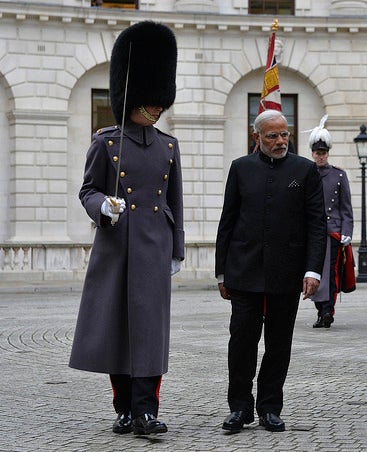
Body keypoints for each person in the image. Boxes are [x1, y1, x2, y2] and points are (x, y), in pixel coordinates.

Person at [69, 21, 183, 436]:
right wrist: (105, 207)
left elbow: (174, 201)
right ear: (137, 99)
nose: (159, 109)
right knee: (120, 330)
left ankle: (146, 411)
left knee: (150, 333)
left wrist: (177, 248)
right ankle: (123, 408)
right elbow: (87, 191)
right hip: (117, 246)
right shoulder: (106, 143)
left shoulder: (169, 146)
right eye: (154, 102)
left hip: (153, 246)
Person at [215, 109, 326, 433]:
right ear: (257, 138)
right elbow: (228, 222)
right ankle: (239, 407)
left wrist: (313, 271)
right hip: (244, 270)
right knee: (241, 343)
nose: (280, 141)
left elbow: (317, 224)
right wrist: (222, 272)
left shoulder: (304, 170)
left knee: (279, 344)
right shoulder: (240, 168)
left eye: (284, 135)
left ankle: (269, 407)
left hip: (286, 272)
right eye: (272, 136)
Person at [308, 115, 356, 328]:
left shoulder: (338, 175)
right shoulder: (306, 174)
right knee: (314, 273)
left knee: (331, 273)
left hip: (332, 231)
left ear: (328, 153)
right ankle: (320, 311)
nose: (321, 157)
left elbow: (346, 207)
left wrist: (347, 230)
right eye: (318, 153)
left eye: (324, 153)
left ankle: (328, 310)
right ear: (313, 153)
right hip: (311, 232)